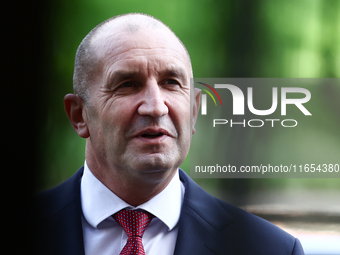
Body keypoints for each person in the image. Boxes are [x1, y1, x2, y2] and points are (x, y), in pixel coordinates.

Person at [36, 13, 305, 255]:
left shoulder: (268, 249)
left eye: (171, 83)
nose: (155, 106)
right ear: (78, 115)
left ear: (194, 110)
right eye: (128, 84)